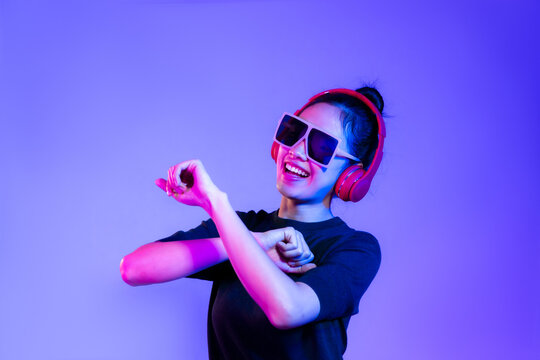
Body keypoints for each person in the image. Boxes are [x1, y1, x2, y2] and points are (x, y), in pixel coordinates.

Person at [120, 86, 386, 359]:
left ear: (351, 175)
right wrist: (256, 242)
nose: (297, 150)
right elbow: (133, 269)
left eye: (321, 146)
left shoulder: (355, 248)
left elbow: (288, 309)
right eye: (294, 132)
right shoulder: (239, 228)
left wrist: (216, 201)